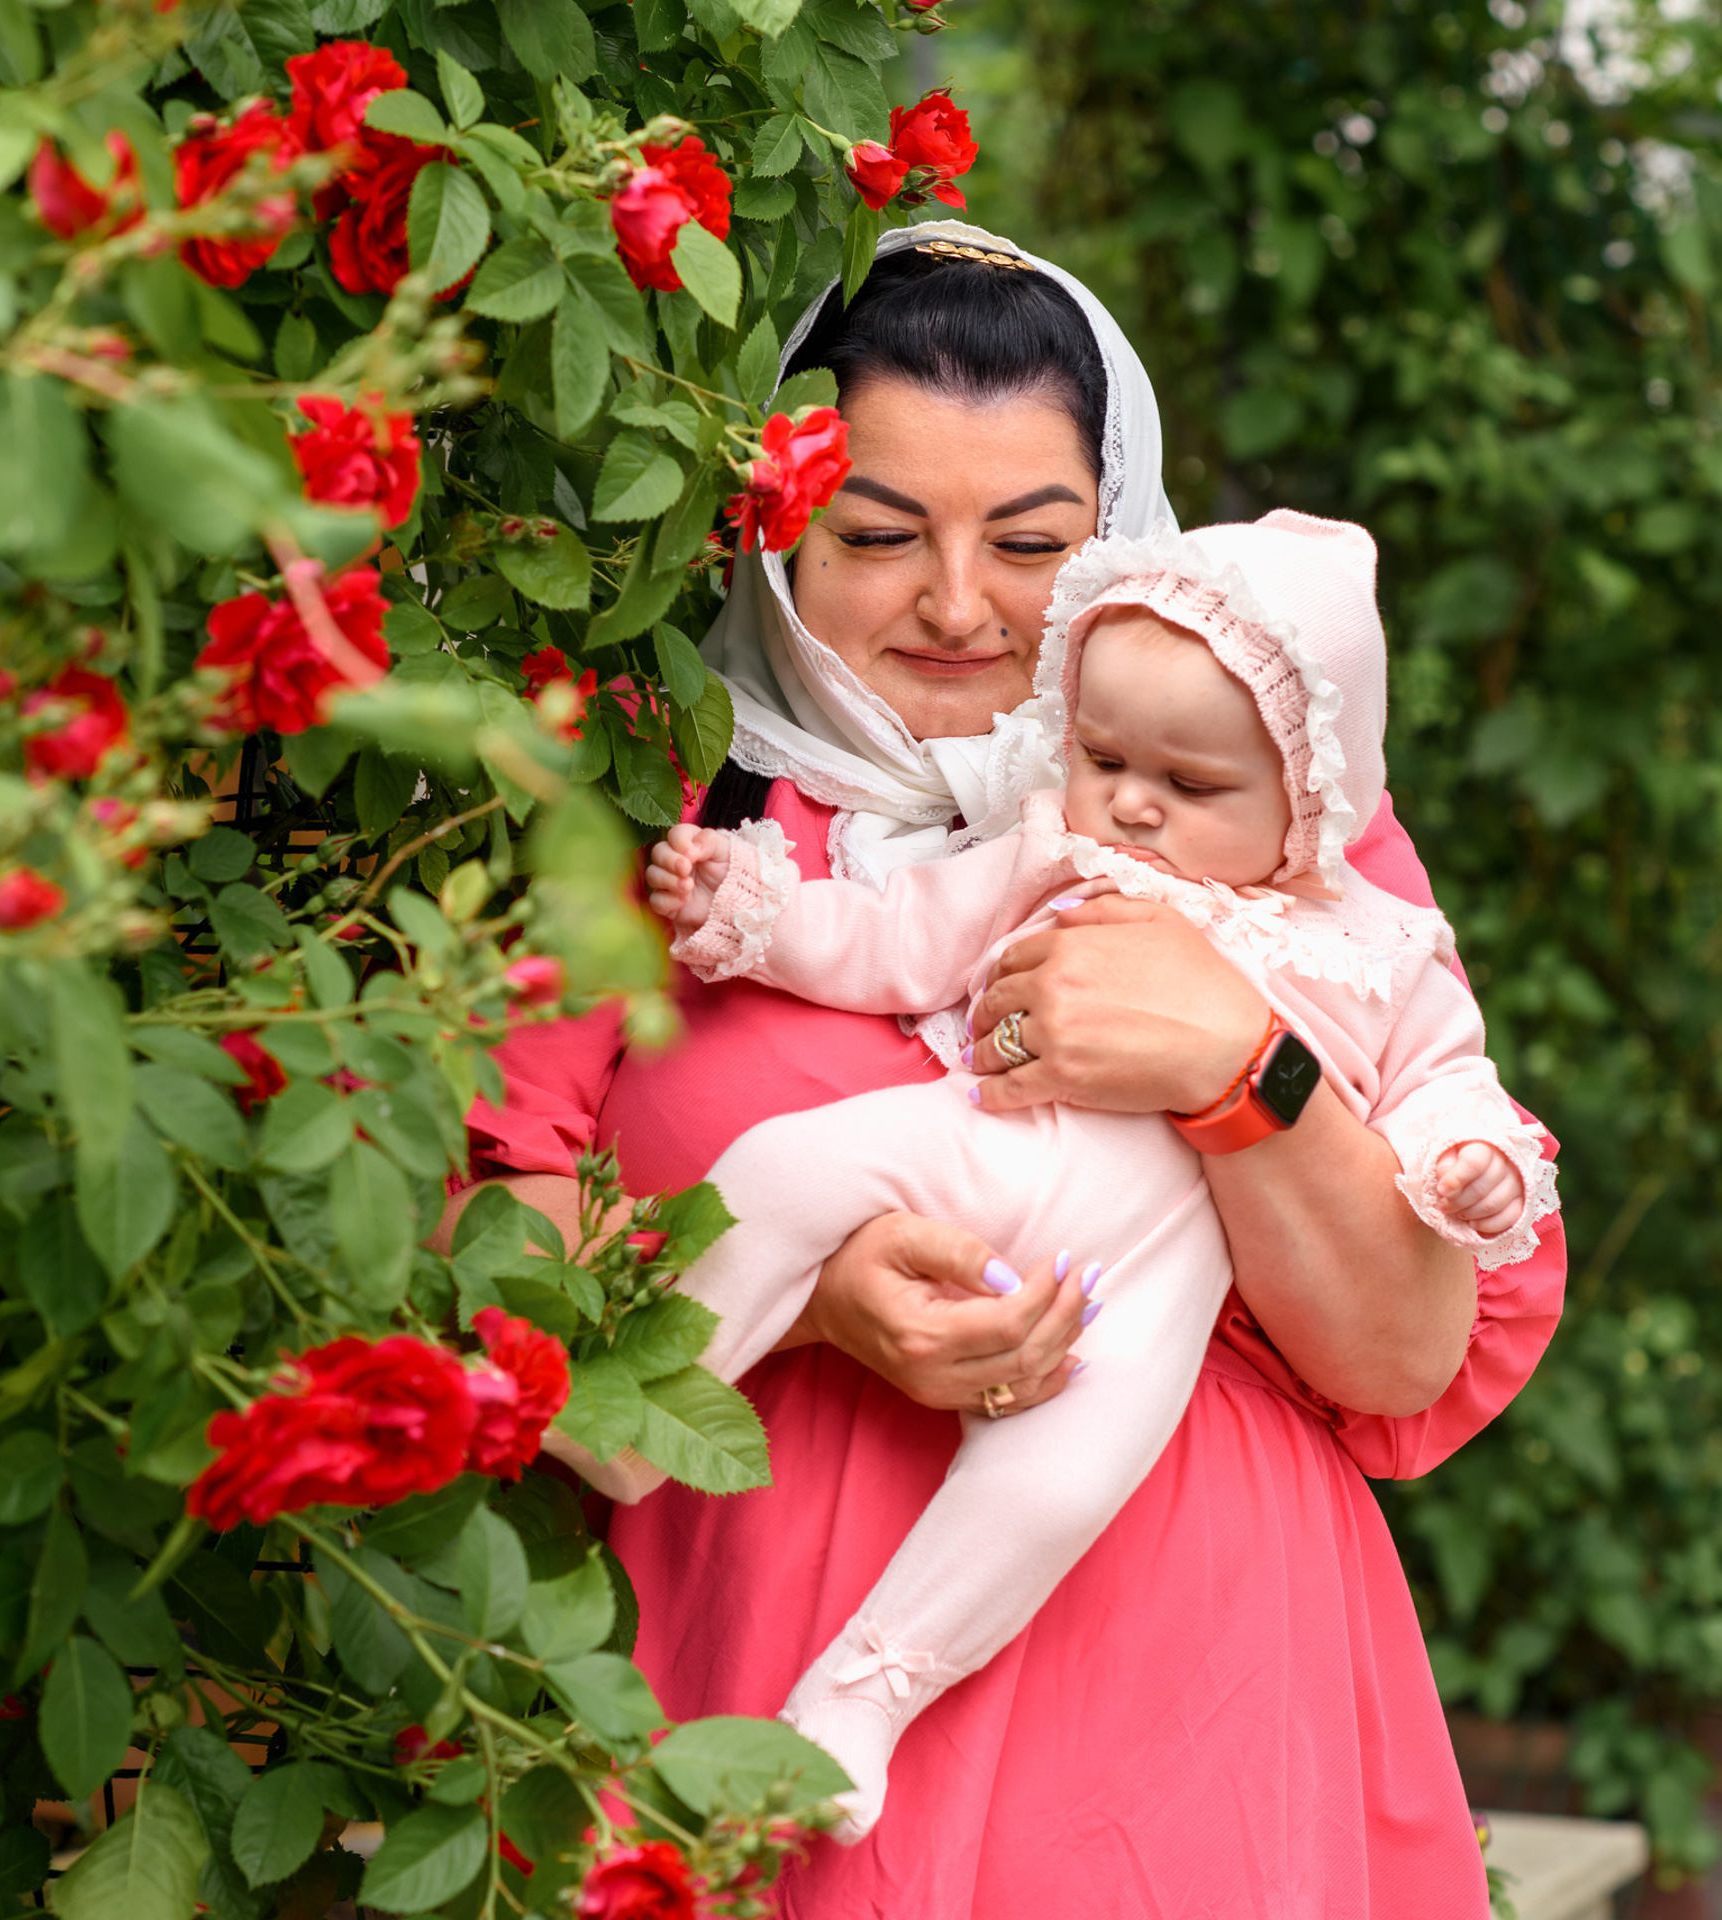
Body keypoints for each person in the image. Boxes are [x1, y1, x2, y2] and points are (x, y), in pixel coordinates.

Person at [457, 221, 1566, 1917]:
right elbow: (491, 1241)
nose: (960, 606)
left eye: (1033, 542)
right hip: (778, 1684)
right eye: (876, 534)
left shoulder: (1273, 813)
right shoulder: (664, 820)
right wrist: (813, 1305)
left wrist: (1235, 1065)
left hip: (1211, 1728)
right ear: (768, 530)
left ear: (1118, 541)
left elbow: (1407, 1348)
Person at [598, 510, 1560, 1842]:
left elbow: (1444, 1080)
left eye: (1195, 784)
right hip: (975, 1141)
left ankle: (870, 1690)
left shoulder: (1377, 941)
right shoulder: (1056, 845)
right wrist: (754, 917)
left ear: (1311, 792)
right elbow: (897, 939)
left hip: (1144, 1274)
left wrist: (1466, 1165)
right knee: (783, 1170)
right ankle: (642, 1404)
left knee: (1057, 1476)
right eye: (1105, 758)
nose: (1137, 803)